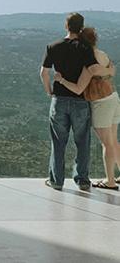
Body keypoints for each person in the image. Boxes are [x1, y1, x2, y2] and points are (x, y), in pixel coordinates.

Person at [40, 12, 113, 191]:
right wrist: (110, 70)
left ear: (66, 26)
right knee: (82, 142)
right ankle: (82, 180)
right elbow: (93, 69)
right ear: (80, 27)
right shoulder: (85, 48)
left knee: (58, 142)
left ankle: (56, 180)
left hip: (59, 100)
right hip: (80, 102)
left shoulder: (52, 46)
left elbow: (43, 72)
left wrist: (49, 90)